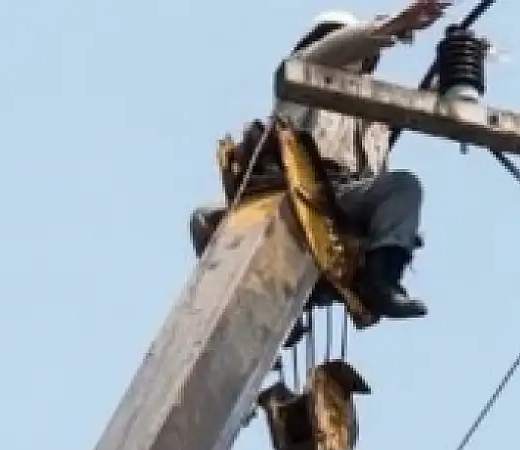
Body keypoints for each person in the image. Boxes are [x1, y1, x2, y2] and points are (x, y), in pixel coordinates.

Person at [190, 3, 448, 318]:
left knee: (403, 187)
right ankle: (243, 297)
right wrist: (394, 25)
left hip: (345, 202)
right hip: (297, 191)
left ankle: (380, 282)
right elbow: (335, 49)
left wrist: (458, 66)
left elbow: (425, 104)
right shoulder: (303, 74)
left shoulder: (375, 112)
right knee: (206, 218)